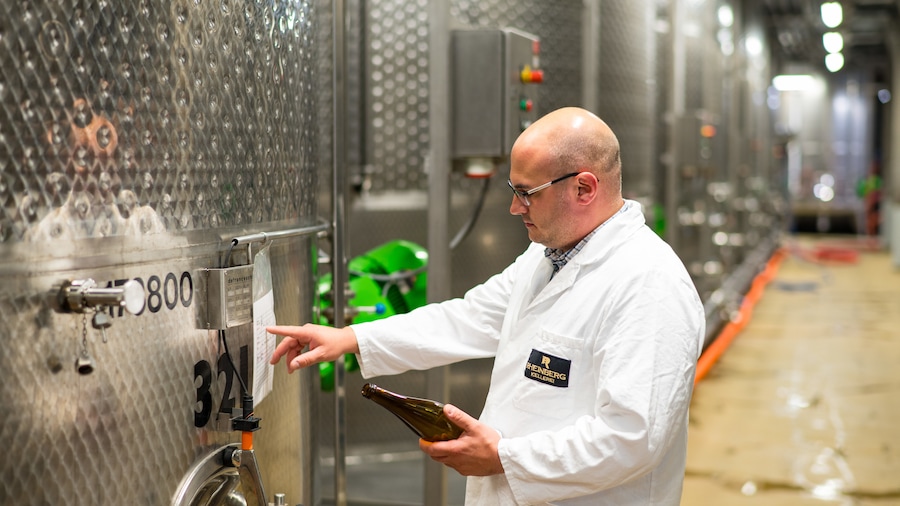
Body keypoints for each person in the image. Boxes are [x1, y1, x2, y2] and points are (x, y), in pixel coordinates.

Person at [268, 106, 705, 505]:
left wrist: (505, 458)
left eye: (527, 192)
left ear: (584, 187)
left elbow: (633, 438)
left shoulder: (648, 285)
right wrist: (351, 336)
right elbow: (469, 316)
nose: (515, 207)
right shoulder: (546, 256)